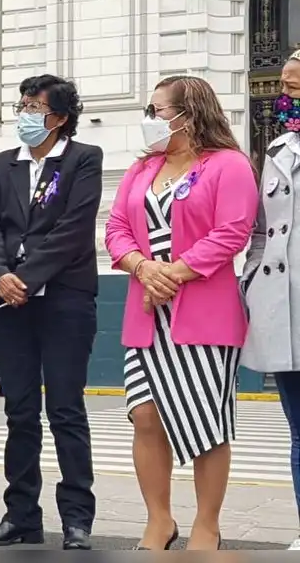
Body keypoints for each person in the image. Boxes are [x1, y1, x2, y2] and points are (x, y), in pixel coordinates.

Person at [104, 75, 258, 550]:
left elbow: (233, 231)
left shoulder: (228, 165)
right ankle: (159, 521)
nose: (149, 120)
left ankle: (206, 525)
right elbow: (115, 227)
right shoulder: (142, 169)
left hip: (204, 312)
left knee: (207, 420)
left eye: (157, 110)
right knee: (145, 415)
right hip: (147, 312)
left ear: (188, 114)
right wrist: (142, 267)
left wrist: (174, 273)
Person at [0, 75, 101, 550]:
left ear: (60, 117)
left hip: (65, 298)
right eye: (21, 104)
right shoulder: (3, 164)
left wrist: (26, 279)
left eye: (35, 107)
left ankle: (77, 518)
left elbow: (73, 229)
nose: (25, 114)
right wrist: (1, 275)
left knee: (65, 408)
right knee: (19, 409)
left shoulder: (82, 159)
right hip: (9, 303)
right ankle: (21, 513)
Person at [239, 48, 300, 551]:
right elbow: (260, 231)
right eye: (285, 87)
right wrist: (250, 281)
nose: (286, 95)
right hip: (282, 307)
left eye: (296, 87)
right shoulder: (279, 147)